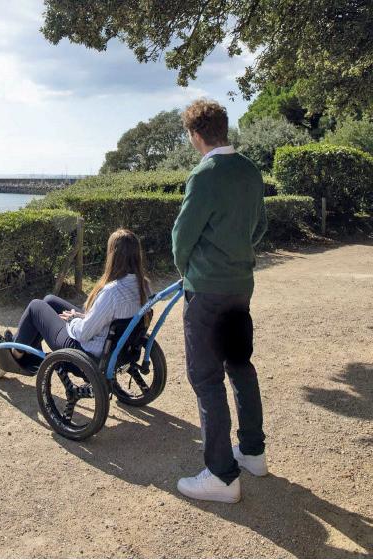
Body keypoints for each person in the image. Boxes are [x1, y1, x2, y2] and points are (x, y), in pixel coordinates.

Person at [172, 98, 268, 503]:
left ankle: (221, 475)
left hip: (207, 290)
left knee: (207, 378)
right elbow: (259, 226)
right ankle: (252, 452)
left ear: (195, 135)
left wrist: (186, 270)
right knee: (239, 366)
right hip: (240, 285)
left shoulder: (204, 174)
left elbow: (183, 236)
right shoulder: (249, 170)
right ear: (223, 129)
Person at [0, 229, 150, 368]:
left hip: (87, 352)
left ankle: (16, 353)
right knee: (49, 300)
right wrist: (81, 317)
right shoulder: (143, 285)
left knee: (36, 306)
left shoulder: (112, 292)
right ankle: (24, 343)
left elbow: (83, 334)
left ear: (113, 256)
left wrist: (73, 320)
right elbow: (110, 319)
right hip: (116, 346)